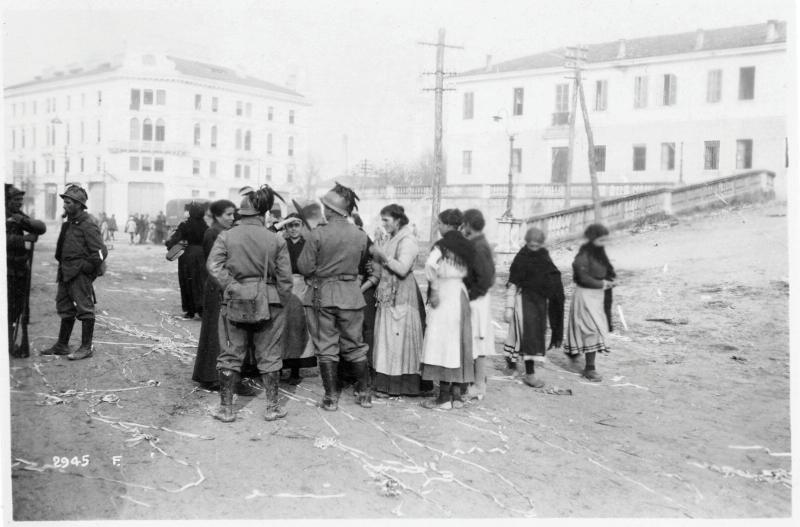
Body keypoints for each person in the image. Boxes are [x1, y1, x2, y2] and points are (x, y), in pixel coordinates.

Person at [207, 185, 293, 422]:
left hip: (234, 300)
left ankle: (226, 409)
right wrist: (278, 300)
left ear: (241, 213)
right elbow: (285, 279)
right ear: (263, 213)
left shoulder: (226, 235)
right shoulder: (275, 239)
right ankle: (272, 408)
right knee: (270, 355)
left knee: (230, 354)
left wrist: (232, 287)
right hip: (270, 300)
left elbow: (214, 266)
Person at [297, 183, 372, 411]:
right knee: (355, 345)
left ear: (331, 210)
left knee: (326, 347)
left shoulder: (318, 234)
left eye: (324, 206)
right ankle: (364, 393)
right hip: (350, 295)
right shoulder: (360, 235)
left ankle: (330, 398)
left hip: (322, 295)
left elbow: (304, 267)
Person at [192, 199, 261, 396]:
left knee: (219, 331)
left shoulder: (219, 232)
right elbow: (218, 264)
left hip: (219, 285)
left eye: (233, 214)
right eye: (228, 215)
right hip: (218, 287)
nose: (232, 218)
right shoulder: (214, 233)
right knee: (220, 332)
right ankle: (216, 378)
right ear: (216, 216)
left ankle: (212, 375)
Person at [41, 185, 107, 360]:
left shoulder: (88, 224)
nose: (64, 205)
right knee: (65, 307)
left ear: (78, 204)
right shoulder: (68, 224)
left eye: (68, 202)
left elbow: (100, 252)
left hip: (78, 274)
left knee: (85, 309)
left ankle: (86, 347)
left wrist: (85, 269)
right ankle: (62, 345)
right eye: (64, 201)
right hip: (65, 272)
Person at [370, 204, 428, 397]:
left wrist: (382, 256)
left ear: (398, 220)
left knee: (399, 337)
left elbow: (402, 268)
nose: (384, 224)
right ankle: (386, 383)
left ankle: (400, 385)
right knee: (389, 337)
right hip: (389, 293)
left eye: (386, 220)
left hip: (402, 293)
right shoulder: (393, 237)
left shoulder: (408, 239)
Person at [419, 209, 475, 410]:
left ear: (447, 225)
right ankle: (457, 396)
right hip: (461, 294)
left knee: (442, 343)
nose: (439, 227)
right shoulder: (469, 246)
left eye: (440, 224)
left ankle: (443, 398)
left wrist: (433, 290)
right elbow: (476, 273)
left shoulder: (441, 246)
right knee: (458, 342)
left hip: (443, 294)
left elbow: (430, 265)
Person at [504, 227, 565, 388]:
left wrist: (554, 291)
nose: (534, 249)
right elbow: (513, 283)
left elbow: (552, 275)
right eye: (531, 245)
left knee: (532, 335)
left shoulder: (544, 256)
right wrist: (509, 308)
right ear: (526, 243)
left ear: (542, 244)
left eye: (537, 246)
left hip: (539, 303)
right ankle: (529, 374)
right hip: (522, 301)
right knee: (528, 336)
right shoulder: (521, 258)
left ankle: (511, 360)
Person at [564, 223, 616, 382]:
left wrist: (610, 280)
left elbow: (607, 270)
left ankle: (574, 351)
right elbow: (582, 276)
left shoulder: (600, 253)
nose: (603, 243)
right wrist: (602, 284)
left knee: (594, 329)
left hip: (597, 298)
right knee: (591, 329)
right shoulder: (583, 255)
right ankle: (589, 368)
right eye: (601, 240)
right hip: (585, 296)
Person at [460, 209, 499, 401]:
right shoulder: (477, 243)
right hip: (476, 298)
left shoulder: (479, 247)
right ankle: (475, 380)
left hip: (477, 299)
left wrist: (469, 296)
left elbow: (485, 279)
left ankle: (479, 384)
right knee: (473, 340)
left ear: (467, 224)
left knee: (478, 341)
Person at [276, 212, 317, 385]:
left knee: (299, 327)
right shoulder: (280, 243)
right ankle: (279, 367)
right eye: (290, 225)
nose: (293, 229)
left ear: (302, 226)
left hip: (302, 288)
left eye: (296, 225)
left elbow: (314, 264)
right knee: (282, 327)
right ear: (285, 227)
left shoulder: (307, 244)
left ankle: (295, 369)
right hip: (284, 288)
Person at [5, 184, 47, 358]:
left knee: (16, 310)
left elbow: (40, 227)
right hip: (7, 270)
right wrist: (24, 238)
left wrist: (20, 220)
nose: (19, 204)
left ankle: (10, 343)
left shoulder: (17, 216)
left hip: (19, 269)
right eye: (15, 200)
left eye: (21, 200)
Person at [165, 202, 208, 319]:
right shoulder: (206, 226)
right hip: (203, 256)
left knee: (187, 282)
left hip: (188, 256)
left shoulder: (185, 225)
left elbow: (175, 239)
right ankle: (202, 309)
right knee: (201, 282)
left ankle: (190, 311)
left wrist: (169, 245)